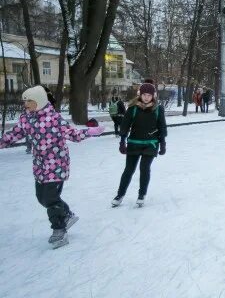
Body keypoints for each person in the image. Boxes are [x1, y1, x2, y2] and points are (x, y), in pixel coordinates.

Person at [1, 86, 104, 248]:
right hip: (40, 165)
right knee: (42, 198)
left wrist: (90, 131)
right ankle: (67, 215)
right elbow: (13, 134)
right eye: (24, 101)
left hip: (57, 164)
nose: (25, 104)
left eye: (29, 101)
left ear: (40, 101)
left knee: (50, 198)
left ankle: (59, 230)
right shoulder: (26, 119)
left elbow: (72, 134)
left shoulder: (54, 118)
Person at [112, 82, 167, 207]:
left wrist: (163, 143)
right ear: (140, 95)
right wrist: (122, 141)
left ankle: (141, 194)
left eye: (149, 95)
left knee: (144, 168)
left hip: (151, 143)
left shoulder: (158, 109)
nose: (146, 97)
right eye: (144, 95)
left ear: (153, 96)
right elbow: (125, 126)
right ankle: (120, 194)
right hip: (134, 143)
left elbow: (162, 126)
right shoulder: (133, 108)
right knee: (129, 170)